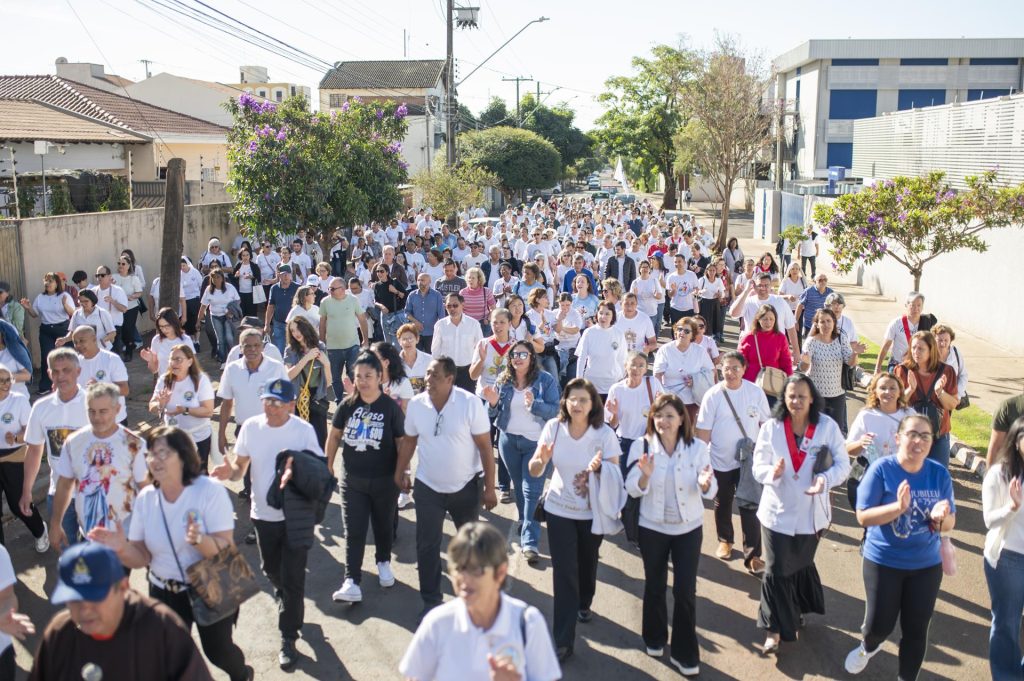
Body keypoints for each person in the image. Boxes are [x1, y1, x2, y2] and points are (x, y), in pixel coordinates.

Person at [88, 425, 251, 681]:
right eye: (151, 454)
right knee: (169, 658)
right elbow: (142, 557)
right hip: (164, 591)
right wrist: (121, 549)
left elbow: (225, 548)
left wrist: (200, 540)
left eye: (163, 453)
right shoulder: (146, 498)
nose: (155, 460)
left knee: (218, 652)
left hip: (210, 583)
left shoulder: (210, 491)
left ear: (183, 456)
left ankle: (242, 675)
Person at [211, 378, 325, 670]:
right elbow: (240, 469)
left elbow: (318, 471)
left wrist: (296, 474)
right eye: (267, 401)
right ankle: (285, 597)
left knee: (293, 579)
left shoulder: (303, 431)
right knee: (271, 570)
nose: (271, 407)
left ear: (291, 405)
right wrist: (229, 472)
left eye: (277, 402)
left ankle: (288, 636)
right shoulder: (251, 427)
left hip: (295, 517)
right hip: (263, 516)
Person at [845, 414, 955, 679]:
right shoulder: (881, 469)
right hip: (884, 561)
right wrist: (897, 508)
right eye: (912, 434)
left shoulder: (938, 473)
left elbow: (950, 523)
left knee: (916, 630)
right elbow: (863, 516)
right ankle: (868, 646)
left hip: (926, 565)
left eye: (925, 436)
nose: (918, 441)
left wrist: (941, 518)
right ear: (898, 438)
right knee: (878, 627)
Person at [753, 374, 850, 653]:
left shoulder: (827, 427)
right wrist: (772, 473)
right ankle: (773, 630)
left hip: (811, 513)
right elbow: (758, 466)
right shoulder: (771, 427)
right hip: (776, 511)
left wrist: (825, 480)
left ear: (812, 399)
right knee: (775, 569)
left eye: (802, 397)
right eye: (791, 396)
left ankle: (795, 610)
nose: (796, 401)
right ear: (784, 398)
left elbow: (843, 465)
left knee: (798, 565)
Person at [394, 357, 497, 618]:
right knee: (427, 546)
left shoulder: (469, 403)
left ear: (450, 379)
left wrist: (489, 488)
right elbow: (409, 441)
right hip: (428, 487)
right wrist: (401, 471)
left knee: (469, 547)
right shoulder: (417, 405)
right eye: (428, 374)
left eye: (435, 375)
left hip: (465, 488)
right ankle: (431, 602)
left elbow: (485, 447)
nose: (428, 379)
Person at [528, 378, 621, 662]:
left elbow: (615, 475)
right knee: (564, 572)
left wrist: (600, 469)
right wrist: (541, 460)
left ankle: (585, 601)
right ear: (565, 402)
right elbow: (534, 470)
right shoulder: (553, 428)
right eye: (572, 399)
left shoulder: (604, 434)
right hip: (559, 509)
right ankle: (563, 640)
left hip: (592, 513)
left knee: (587, 562)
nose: (577, 404)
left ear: (593, 404)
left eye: (583, 400)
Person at [399, 521, 561, 681]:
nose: (464, 578)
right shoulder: (437, 623)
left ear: (500, 572)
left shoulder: (528, 624)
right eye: (459, 568)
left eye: (475, 569)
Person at [625, 392, 716, 675]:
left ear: (681, 420)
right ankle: (654, 638)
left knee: (685, 591)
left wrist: (705, 483)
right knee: (655, 585)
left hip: (688, 529)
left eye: (670, 416)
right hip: (652, 527)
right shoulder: (642, 446)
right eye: (659, 415)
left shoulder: (697, 448)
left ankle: (684, 653)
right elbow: (631, 488)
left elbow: (710, 488)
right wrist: (645, 475)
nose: (664, 421)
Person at [29, 542, 213, 680]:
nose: (84, 608)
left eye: (94, 596)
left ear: (124, 587)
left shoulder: (161, 630)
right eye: (74, 599)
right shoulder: (60, 634)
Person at [326, 352, 404, 604]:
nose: (362, 381)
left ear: (380, 377)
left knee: (383, 525)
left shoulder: (390, 407)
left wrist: (403, 472)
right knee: (354, 530)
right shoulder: (347, 405)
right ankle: (352, 581)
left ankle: (383, 562)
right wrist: (328, 465)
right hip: (353, 481)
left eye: (368, 376)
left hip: (385, 481)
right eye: (358, 376)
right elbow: (334, 436)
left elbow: (401, 442)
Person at [482, 340, 561, 563]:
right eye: (514, 355)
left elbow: (555, 410)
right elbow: (492, 413)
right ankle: (526, 521)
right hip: (508, 442)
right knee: (519, 487)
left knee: (531, 492)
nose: (518, 358)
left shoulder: (545, 380)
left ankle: (530, 542)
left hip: (536, 444)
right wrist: (492, 403)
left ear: (532, 357)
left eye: (523, 354)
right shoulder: (503, 379)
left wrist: (534, 405)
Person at [696, 351, 772, 574]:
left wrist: (767, 454)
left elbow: (766, 425)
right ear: (720, 370)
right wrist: (701, 463)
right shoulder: (713, 395)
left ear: (744, 369)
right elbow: (703, 432)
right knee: (723, 502)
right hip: (720, 460)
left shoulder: (755, 392)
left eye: (735, 368)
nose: (730, 373)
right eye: (726, 368)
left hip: (749, 461)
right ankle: (725, 540)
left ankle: (753, 555)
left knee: (750, 504)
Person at [49, 382, 149, 551]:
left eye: (103, 411)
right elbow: (65, 484)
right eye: (91, 411)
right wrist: (55, 523)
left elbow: (146, 489)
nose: (97, 418)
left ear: (117, 409)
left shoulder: (134, 444)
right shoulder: (74, 442)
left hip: (125, 538)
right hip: (88, 535)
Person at [217, 328, 289, 508]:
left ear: (263, 347)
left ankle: (272, 507)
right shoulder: (232, 369)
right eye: (247, 346)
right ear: (240, 348)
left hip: (271, 430)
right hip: (244, 431)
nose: (252, 349)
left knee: (269, 473)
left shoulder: (275, 368)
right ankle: (254, 507)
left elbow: (287, 401)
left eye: (256, 345)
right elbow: (226, 403)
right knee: (248, 473)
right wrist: (221, 434)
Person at [982, 416, 1024, 680]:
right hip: (1008, 558)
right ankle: (1007, 676)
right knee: (1007, 622)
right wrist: (1012, 507)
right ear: (1016, 440)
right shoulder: (999, 473)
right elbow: (989, 520)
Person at [846, 373, 915, 511]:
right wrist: (861, 443)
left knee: (894, 517)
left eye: (892, 388)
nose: (887, 392)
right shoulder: (866, 415)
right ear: (875, 392)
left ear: (900, 392)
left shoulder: (909, 415)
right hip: (868, 472)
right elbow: (848, 449)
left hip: (898, 473)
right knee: (870, 518)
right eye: (883, 388)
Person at [0, 364, 48, 551]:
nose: (6, 384)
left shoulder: (18, 400)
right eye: (1, 380)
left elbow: (30, 430)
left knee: (17, 504)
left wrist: (16, 437)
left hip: (14, 457)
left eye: (8, 380)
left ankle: (40, 530)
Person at [893, 331, 958, 467]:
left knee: (938, 475)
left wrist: (940, 392)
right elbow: (895, 406)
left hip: (938, 435)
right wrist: (910, 390)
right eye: (913, 348)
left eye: (921, 349)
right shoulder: (902, 370)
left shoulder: (946, 371)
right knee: (909, 473)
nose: (916, 352)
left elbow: (952, 404)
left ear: (931, 350)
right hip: (910, 433)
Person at [149, 345, 216, 471]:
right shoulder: (164, 380)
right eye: (171, 359)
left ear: (190, 361)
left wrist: (185, 410)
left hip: (198, 437)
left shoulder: (200, 380)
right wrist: (160, 404)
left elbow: (208, 411)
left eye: (178, 359)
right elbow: (152, 405)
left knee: (198, 475)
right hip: (173, 438)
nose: (174, 363)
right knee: (176, 474)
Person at [798, 309, 864, 435]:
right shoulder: (811, 342)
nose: (826, 324)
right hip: (816, 396)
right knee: (816, 431)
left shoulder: (841, 339)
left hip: (837, 395)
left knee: (836, 432)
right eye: (822, 322)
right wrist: (805, 361)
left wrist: (855, 353)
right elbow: (803, 368)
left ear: (834, 323)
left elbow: (850, 362)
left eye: (829, 321)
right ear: (817, 324)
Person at [19, 272, 75, 393]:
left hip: (62, 329)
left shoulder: (64, 295)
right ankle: (46, 386)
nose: (47, 283)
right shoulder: (40, 297)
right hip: (46, 330)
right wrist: (28, 308)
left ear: (56, 283)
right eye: (46, 281)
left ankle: (70, 383)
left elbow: (72, 313)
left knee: (66, 357)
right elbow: (34, 314)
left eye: (51, 281)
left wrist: (65, 304)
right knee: (47, 357)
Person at [284, 316, 333, 447]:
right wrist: (306, 358)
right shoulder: (290, 350)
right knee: (298, 442)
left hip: (317, 398)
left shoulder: (320, 347)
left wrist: (327, 364)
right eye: (292, 330)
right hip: (297, 399)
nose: (296, 333)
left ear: (305, 327)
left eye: (298, 329)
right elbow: (288, 376)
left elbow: (328, 382)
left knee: (319, 441)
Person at [654, 318, 714, 424]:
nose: (682, 333)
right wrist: (662, 394)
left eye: (686, 331)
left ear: (692, 335)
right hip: (670, 400)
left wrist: (695, 380)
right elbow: (657, 375)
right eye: (679, 329)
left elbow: (711, 372)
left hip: (692, 401)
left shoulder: (700, 351)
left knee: (688, 431)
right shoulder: (665, 350)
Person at [729, 273, 799, 358]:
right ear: (754, 286)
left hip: (776, 350)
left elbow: (790, 327)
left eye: (766, 285)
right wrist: (746, 291)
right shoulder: (748, 301)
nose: (763, 288)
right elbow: (733, 314)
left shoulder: (780, 301)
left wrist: (796, 350)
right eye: (760, 285)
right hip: (753, 349)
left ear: (771, 286)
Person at [738, 304, 794, 406]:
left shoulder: (781, 338)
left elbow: (786, 363)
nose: (768, 322)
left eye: (771, 319)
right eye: (765, 319)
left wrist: (790, 384)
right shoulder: (749, 337)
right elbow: (739, 362)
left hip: (772, 386)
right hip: (750, 384)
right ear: (758, 319)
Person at [72, 325, 129, 425]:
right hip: (88, 422)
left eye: (82, 341)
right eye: (75, 342)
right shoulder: (75, 363)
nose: (78, 345)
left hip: (115, 421)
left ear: (94, 339)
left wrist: (101, 388)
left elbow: (125, 390)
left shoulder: (112, 359)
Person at [431, 293, 484, 394]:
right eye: (449, 306)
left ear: (462, 305)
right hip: (447, 371)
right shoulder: (440, 325)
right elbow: (435, 350)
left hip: (467, 372)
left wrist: (476, 369)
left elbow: (479, 349)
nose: (452, 309)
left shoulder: (473, 324)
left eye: (455, 305)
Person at [874, 292, 937, 374]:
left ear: (922, 307)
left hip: (918, 365)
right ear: (906, 305)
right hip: (897, 364)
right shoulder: (896, 323)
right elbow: (885, 347)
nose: (916, 308)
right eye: (912, 305)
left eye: (919, 305)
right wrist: (877, 368)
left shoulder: (927, 323)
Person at [198, 269, 241, 364]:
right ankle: (223, 360)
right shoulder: (208, 290)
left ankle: (232, 357)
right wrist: (198, 320)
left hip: (228, 317)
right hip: (215, 316)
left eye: (218, 277)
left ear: (222, 278)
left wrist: (230, 310)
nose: (216, 279)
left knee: (229, 338)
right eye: (213, 278)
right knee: (220, 340)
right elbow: (203, 306)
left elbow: (238, 300)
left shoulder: (230, 288)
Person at [112, 255, 144, 361]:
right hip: (117, 308)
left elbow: (139, 292)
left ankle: (128, 352)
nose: (120, 266)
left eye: (123, 264)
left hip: (131, 307)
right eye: (119, 263)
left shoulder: (133, 278)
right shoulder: (114, 277)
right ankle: (125, 347)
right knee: (118, 329)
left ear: (129, 265)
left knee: (128, 329)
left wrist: (132, 296)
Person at [405, 273, 445, 353]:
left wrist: (440, 332)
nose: (420, 282)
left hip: (431, 333)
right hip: (416, 333)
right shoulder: (412, 295)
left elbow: (441, 315)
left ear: (429, 281)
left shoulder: (436, 295)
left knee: (431, 356)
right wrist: (415, 322)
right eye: (418, 280)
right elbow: (407, 312)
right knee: (416, 356)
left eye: (422, 280)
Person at [265, 264, 300, 354]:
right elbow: (270, 307)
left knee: (294, 350)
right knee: (280, 349)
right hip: (278, 323)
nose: (286, 276)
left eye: (288, 274)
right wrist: (267, 324)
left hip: (294, 324)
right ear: (279, 275)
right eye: (283, 274)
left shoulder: (297, 288)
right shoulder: (274, 288)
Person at [932, 324, 969, 405]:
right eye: (939, 340)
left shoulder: (956, 353)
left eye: (946, 340)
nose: (943, 343)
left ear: (951, 340)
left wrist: (957, 395)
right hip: (932, 397)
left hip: (951, 397)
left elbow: (963, 375)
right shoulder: (929, 354)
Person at [373, 263, 408, 346]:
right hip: (385, 315)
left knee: (397, 342)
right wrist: (381, 306)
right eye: (377, 271)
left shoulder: (394, 282)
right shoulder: (377, 285)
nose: (379, 273)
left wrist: (395, 291)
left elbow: (405, 296)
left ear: (387, 272)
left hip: (397, 314)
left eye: (382, 271)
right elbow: (376, 301)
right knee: (387, 342)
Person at [989, 389, 1024, 467]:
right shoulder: (1008, 407)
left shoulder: (1008, 407)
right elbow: (996, 447)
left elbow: (996, 446)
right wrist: (990, 472)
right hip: (1013, 468)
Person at [630, 259, 665, 336]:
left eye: (647, 267)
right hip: (640, 313)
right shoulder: (635, 282)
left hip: (652, 313)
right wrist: (634, 295)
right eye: (643, 267)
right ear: (640, 269)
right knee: (641, 334)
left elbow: (660, 296)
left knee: (651, 334)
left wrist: (656, 295)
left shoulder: (654, 280)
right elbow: (631, 300)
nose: (645, 269)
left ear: (649, 269)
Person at [794, 274, 833, 341]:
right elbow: (800, 306)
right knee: (808, 345)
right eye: (820, 280)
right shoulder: (808, 291)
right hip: (809, 326)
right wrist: (796, 321)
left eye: (825, 280)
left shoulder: (830, 292)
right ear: (815, 282)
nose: (823, 282)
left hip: (824, 326)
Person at [695, 259, 726, 343]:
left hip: (715, 303)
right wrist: (701, 291)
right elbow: (696, 292)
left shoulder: (718, 280)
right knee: (705, 322)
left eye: (713, 270)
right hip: (704, 303)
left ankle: (714, 339)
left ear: (716, 271)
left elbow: (723, 293)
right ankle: (703, 339)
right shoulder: (702, 280)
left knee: (715, 321)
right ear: (707, 271)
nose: (712, 272)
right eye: (710, 270)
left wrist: (720, 294)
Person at [665, 254, 698, 326]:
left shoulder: (692, 275)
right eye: (675, 262)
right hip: (675, 309)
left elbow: (696, 289)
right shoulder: (671, 277)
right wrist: (674, 290)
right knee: (676, 330)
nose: (677, 264)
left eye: (679, 261)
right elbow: (669, 295)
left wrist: (695, 292)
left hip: (689, 308)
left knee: (689, 330)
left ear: (684, 262)